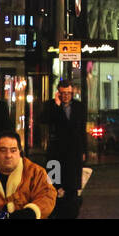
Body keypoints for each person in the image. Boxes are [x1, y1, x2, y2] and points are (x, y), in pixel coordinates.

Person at [37, 78, 87, 218]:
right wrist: (57, 106)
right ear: (58, 93)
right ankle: (55, 213)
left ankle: (70, 213)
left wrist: (84, 151)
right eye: (63, 93)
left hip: (73, 152)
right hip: (56, 152)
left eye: (69, 93)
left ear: (73, 93)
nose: (66, 96)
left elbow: (81, 130)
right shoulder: (51, 105)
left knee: (72, 187)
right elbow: (44, 120)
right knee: (53, 184)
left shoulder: (79, 107)